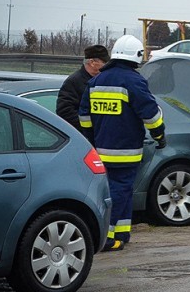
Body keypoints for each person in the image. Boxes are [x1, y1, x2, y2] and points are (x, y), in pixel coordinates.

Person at [79, 35, 166, 251]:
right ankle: (107, 236)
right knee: (119, 192)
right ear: (137, 56)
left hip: (100, 149)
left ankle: (122, 234)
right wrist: (160, 137)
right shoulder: (134, 81)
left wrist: (92, 138)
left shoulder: (96, 80)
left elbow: (83, 116)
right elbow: (151, 115)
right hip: (126, 151)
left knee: (123, 192)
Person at [56, 45, 110, 130]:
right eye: (104, 63)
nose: (107, 66)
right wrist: (90, 126)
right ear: (92, 62)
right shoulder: (73, 82)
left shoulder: (103, 80)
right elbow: (64, 111)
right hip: (83, 137)